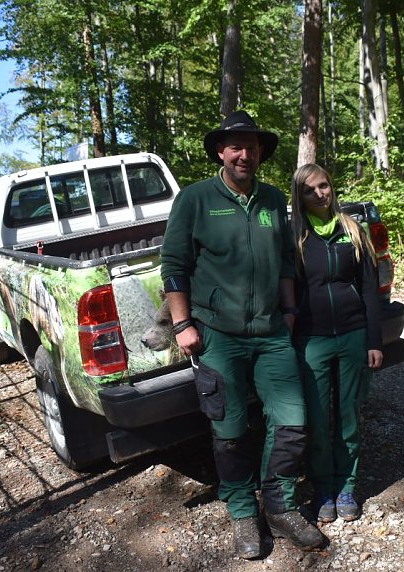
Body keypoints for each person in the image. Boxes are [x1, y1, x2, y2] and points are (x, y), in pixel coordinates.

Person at [160, 111, 324, 559]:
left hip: (272, 333)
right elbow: (174, 267)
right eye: (236, 146)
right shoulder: (195, 200)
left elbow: (287, 262)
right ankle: (242, 513)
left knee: (292, 423)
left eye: (252, 147)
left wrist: (289, 311)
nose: (245, 154)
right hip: (217, 335)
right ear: (221, 151)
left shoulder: (273, 200)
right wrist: (182, 325)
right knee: (229, 431)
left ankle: (281, 506)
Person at [289, 163, 384, 523]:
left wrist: (374, 340)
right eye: (310, 189)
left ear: (332, 187)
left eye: (324, 185)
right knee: (316, 420)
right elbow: (288, 293)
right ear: (300, 196)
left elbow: (369, 290)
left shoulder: (353, 231)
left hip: (352, 336)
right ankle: (323, 489)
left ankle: (346, 487)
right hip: (311, 341)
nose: (320, 194)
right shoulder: (294, 237)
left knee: (348, 418)